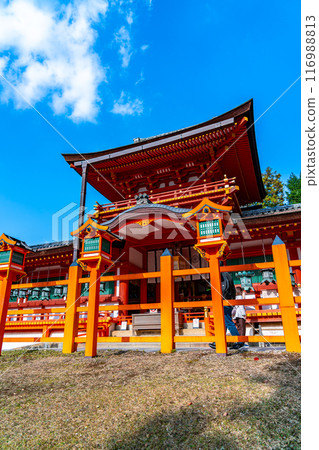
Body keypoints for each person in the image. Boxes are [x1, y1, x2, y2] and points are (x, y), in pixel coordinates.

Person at [209, 271, 244, 350]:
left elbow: (224, 288)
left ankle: (239, 341)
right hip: (229, 300)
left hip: (224, 301)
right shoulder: (228, 275)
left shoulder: (222, 275)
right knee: (223, 322)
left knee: (228, 321)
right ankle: (218, 341)